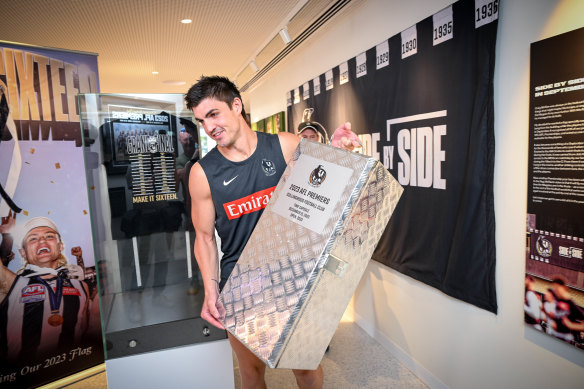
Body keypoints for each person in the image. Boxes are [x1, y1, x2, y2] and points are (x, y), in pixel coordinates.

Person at [185, 76, 360, 389]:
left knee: (306, 368)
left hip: (291, 275)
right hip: (241, 284)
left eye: (214, 114)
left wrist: (335, 151)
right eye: (202, 120)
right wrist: (211, 290)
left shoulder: (285, 145)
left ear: (236, 105)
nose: (209, 127)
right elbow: (205, 237)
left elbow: (320, 189)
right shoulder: (202, 173)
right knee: (251, 374)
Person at [0, 217, 89, 363]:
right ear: (23, 252)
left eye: (49, 236)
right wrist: (7, 236)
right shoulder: (10, 284)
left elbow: (82, 330)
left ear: (60, 246)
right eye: (33, 239)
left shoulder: (81, 287)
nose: (42, 241)